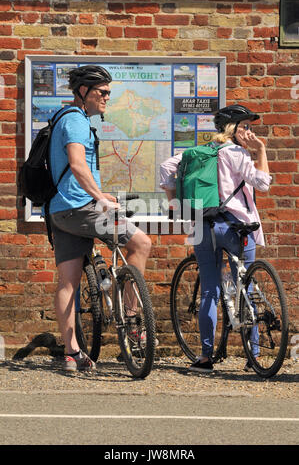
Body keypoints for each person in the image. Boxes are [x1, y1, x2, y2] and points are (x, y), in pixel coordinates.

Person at [48, 65, 151, 372]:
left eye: (109, 92)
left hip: (60, 210)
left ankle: (73, 354)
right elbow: (78, 165)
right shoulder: (77, 121)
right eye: (102, 92)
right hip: (81, 208)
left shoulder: (61, 117)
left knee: (68, 281)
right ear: (83, 92)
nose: (107, 97)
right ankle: (133, 320)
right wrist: (100, 197)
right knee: (141, 243)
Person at [160, 104, 271, 373]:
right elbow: (263, 184)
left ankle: (206, 358)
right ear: (233, 129)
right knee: (245, 288)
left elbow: (166, 167)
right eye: (245, 126)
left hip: (203, 227)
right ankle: (253, 355)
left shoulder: (197, 152)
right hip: (237, 228)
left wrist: (174, 202)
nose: (249, 131)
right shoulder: (238, 153)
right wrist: (261, 150)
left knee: (210, 290)